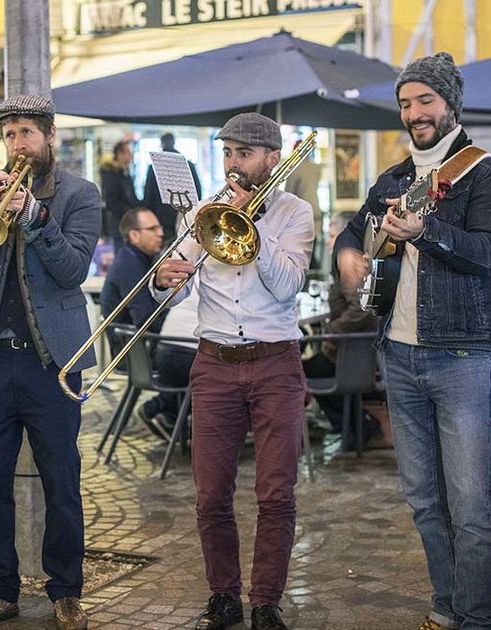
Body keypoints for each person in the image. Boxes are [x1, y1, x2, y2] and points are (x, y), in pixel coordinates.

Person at [333, 52, 491, 630]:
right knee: (423, 499)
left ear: (450, 104)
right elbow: (350, 228)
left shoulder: (484, 173)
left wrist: (426, 232)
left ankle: (479, 618)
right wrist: (345, 254)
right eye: (406, 104)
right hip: (401, 353)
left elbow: (488, 254)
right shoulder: (392, 179)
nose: (414, 113)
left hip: (464, 355)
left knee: (470, 506)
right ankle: (445, 608)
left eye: (425, 101)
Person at [152, 112, 313, 630]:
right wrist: (165, 277)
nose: (233, 165)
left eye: (243, 154)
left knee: (276, 492)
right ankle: (223, 596)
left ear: (272, 156)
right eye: (226, 153)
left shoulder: (295, 213)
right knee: (211, 493)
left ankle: (265, 601)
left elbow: (287, 286)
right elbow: (176, 282)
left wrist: (254, 227)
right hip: (215, 362)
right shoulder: (204, 212)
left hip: (275, 364)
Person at [0, 94, 99, 630]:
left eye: (26, 134)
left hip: (51, 362)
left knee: (62, 477)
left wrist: (34, 217)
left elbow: (72, 271)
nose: (18, 144)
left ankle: (66, 591)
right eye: (10, 134)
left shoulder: (80, 194)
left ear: (49, 136)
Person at [301, 211, 388, 447]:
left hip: (354, 355)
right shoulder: (354, 259)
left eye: (332, 235)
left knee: (301, 370)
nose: (328, 240)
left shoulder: (351, 261)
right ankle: (351, 427)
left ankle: (359, 427)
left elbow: (362, 309)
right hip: (354, 349)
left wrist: (333, 329)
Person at [99, 207, 178, 439]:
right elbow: (145, 319)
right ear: (134, 235)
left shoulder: (134, 259)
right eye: (152, 229)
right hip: (134, 353)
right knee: (201, 362)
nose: (161, 233)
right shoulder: (130, 266)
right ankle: (159, 411)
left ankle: (174, 418)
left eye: (160, 227)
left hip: (138, 348)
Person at [143, 132, 202, 243]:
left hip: (160, 217)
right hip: (184, 215)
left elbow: (148, 195)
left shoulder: (154, 166)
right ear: (174, 143)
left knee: (162, 251)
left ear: (162, 144)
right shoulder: (188, 164)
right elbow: (197, 192)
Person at [283, 139, 324, 268]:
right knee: (313, 251)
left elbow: (289, 194)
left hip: (301, 216)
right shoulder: (315, 167)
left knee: (304, 258)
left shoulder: (295, 169)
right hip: (316, 213)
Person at [99, 139, 139, 244]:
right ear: (120, 154)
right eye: (128, 152)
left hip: (129, 222)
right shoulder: (111, 174)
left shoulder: (125, 172)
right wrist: (129, 211)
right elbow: (111, 201)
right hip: (119, 225)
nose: (131, 155)